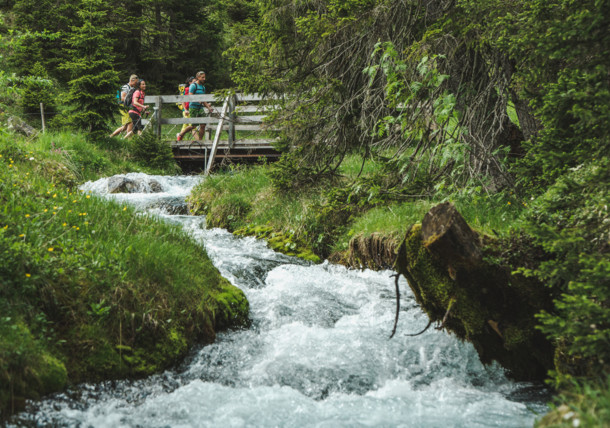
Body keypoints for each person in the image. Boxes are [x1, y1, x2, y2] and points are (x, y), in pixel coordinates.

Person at [188, 71, 214, 141]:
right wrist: (197, 100)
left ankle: (200, 140)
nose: (204, 79)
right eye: (202, 77)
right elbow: (189, 96)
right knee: (193, 126)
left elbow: (203, 100)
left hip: (200, 108)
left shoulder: (203, 87)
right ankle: (181, 133)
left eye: (204, 77)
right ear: (198, 77)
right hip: (193, 107)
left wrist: (208, 108)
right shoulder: (193, 86)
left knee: (203, 125)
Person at [176, 76, 197, 141]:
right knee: (193, 126)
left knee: (185, 126)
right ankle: (200, 142)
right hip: (187, 110)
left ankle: (179, 138)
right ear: (190, 82)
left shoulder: (194, 90)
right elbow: (183, 100)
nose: (195, 83)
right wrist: (185, 110)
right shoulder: (187, 89)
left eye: (196, 82)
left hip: (191, 109)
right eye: (194, 82)